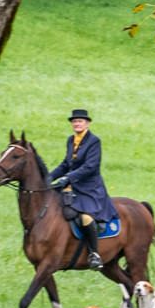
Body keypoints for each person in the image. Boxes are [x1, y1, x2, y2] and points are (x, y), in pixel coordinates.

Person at [48, 109, 116, 270]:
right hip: (72, 185)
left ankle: (94, 253)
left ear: (87, 124)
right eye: (74, 121)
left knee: (85, 217)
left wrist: (67, 178)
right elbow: (66, 164)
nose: (76, 124)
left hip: (89, 188)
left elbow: (90, 167)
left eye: (80, 121)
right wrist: (48, 178)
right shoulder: (71, 140)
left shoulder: (94, 141)